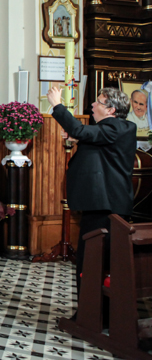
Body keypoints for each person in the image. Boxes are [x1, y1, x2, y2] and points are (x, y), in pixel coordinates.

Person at [47, 85, 135, 295]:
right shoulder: (114, 129)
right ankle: (92, 314)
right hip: (102, 203)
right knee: (94, 260)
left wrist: (58, 105)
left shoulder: (118, 127)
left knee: (93, 261)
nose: (92, 105)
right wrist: (78, 139)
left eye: (98, 102)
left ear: (111, 110)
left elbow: (80, 130)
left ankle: (92, 316)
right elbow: (97, 144)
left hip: (105, 205)